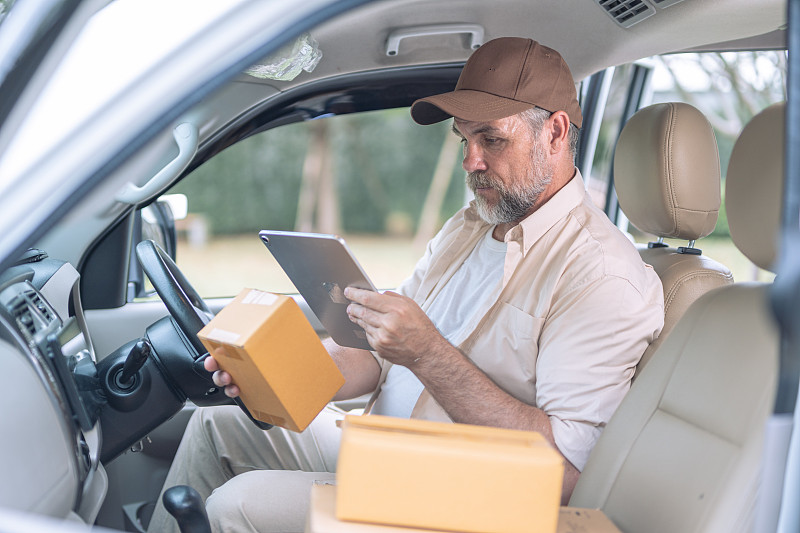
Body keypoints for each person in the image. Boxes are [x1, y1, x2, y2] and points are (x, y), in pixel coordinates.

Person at [147, 37, 663, 533]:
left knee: (235, 506)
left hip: (461, 494)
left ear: (553, 132)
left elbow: (565, 474)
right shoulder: (470, 227)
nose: (470, 161)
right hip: (387, 450)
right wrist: (274, 370)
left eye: (492, 139)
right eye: (465, 138)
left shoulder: (600, 274)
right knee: (215, 424)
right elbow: (379, 356)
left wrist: (430, 354)